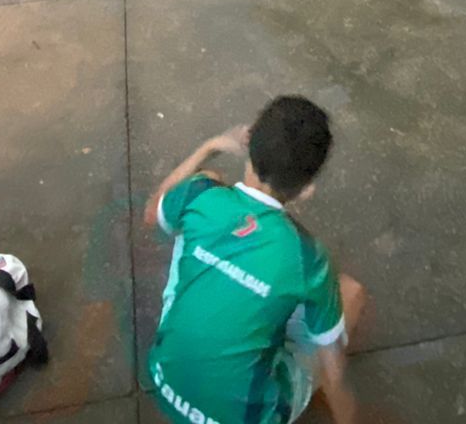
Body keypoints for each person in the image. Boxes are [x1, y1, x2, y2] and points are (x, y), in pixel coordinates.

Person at [143, 96, 364, 424]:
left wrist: (211, 146)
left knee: (189, 208)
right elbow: (334, 375)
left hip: (164, 383)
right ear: (307, 190)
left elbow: (153, 213)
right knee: (351, 294)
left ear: (247, 145)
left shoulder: (202, 194)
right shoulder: (307, 255)